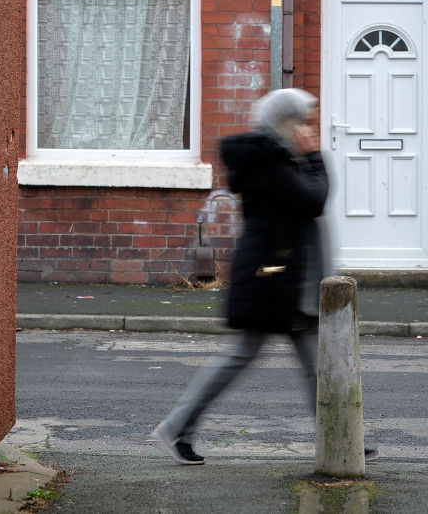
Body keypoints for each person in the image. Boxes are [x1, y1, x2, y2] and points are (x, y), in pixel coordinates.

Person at [151, 87, 358, 465]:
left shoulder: (277, 159)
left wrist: (307, 157)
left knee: (310, 366)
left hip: (284, 279)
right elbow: (313, 201)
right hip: (272, 281)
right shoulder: (271, 163)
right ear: (286, 122)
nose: (310, 130)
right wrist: (315, 157)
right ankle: (176, 426)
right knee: (247, 357)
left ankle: (340, 439)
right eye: (304, 122)